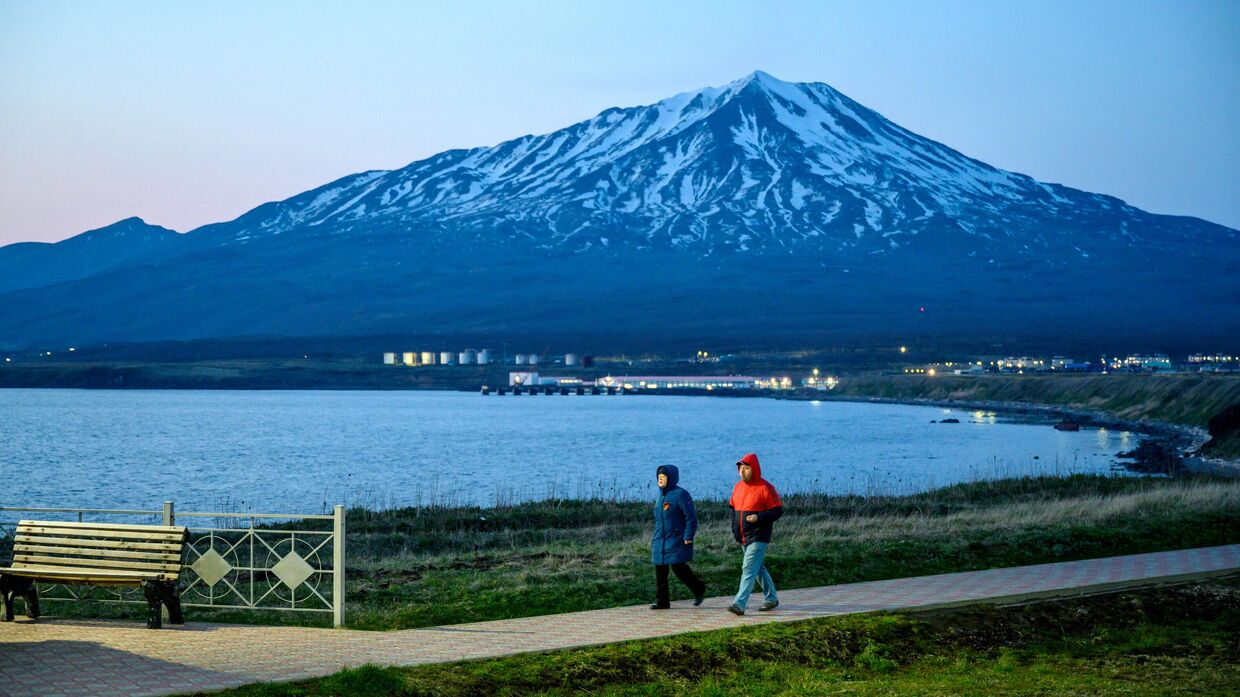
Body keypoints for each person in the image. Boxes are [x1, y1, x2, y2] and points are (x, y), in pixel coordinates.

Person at [727, 452, 783, 615]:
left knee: (748, 568)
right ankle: (771, 598)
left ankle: (739, 604)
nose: (742, 471)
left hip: (759, 535)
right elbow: (732, 508)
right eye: (740, 468)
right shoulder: (738, 487)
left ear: (754, 469)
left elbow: (778, 511)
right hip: (743, 536)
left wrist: (759, 517)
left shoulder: (765, 488)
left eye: (746, 468)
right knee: (758, 568)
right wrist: (734, 528)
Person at [650, 464, 707, 609]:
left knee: (678, 568)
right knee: (660, 570)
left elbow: (691, 518)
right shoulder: (660, 496)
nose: (660, 479)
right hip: (660, 539)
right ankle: (662, 602)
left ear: (671, 478)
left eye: (663, 476)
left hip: (676, 539)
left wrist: (688, 536)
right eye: (659, 477)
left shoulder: (681, 494)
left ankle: (698, 588)